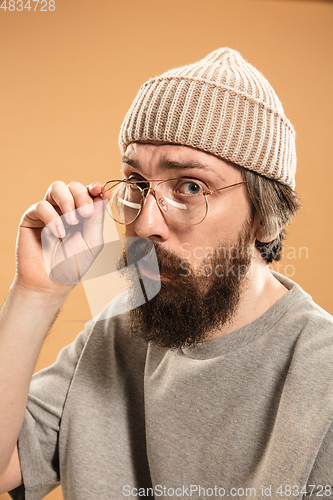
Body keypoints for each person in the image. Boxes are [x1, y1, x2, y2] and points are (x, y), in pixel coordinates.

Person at [0, 48, 332, 500]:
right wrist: (36, 293)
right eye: (136, 183)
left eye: (190, 187)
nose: (145, 224)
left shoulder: (321, 373)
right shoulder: (120, 319)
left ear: (266, 217)